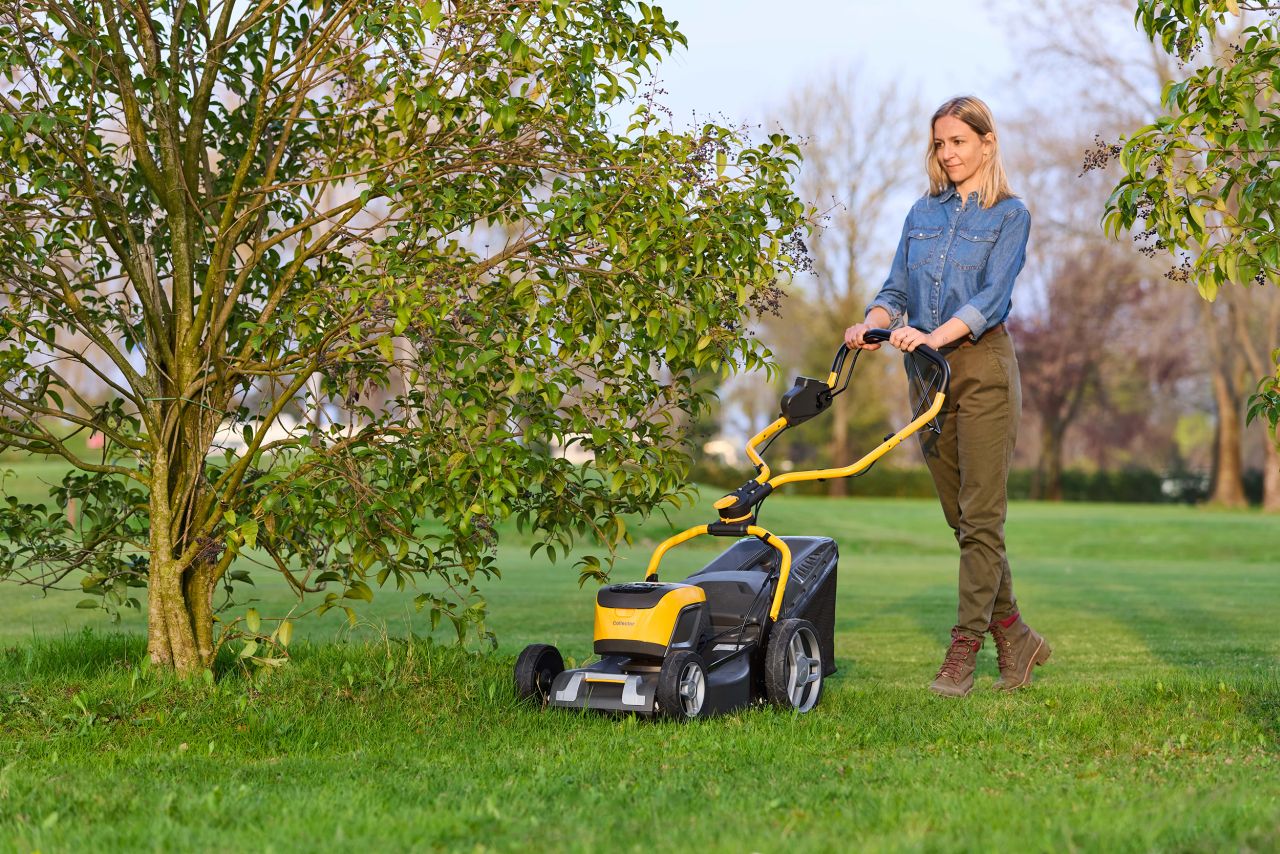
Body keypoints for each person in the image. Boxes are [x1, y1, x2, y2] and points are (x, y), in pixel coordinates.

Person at [844, 95, 1051, 698]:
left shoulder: (1011, 216)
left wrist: (930, 336)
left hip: (981, 368)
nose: (948, 153)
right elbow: (896, 286)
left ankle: (963, 652)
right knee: (963, 521)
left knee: (982, 518)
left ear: (987, 142)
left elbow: (990, 299)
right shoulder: (920, 213)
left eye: (959, 141)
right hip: (927, 379)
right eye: (940, 143)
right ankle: (1015, 633)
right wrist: (873, 320)